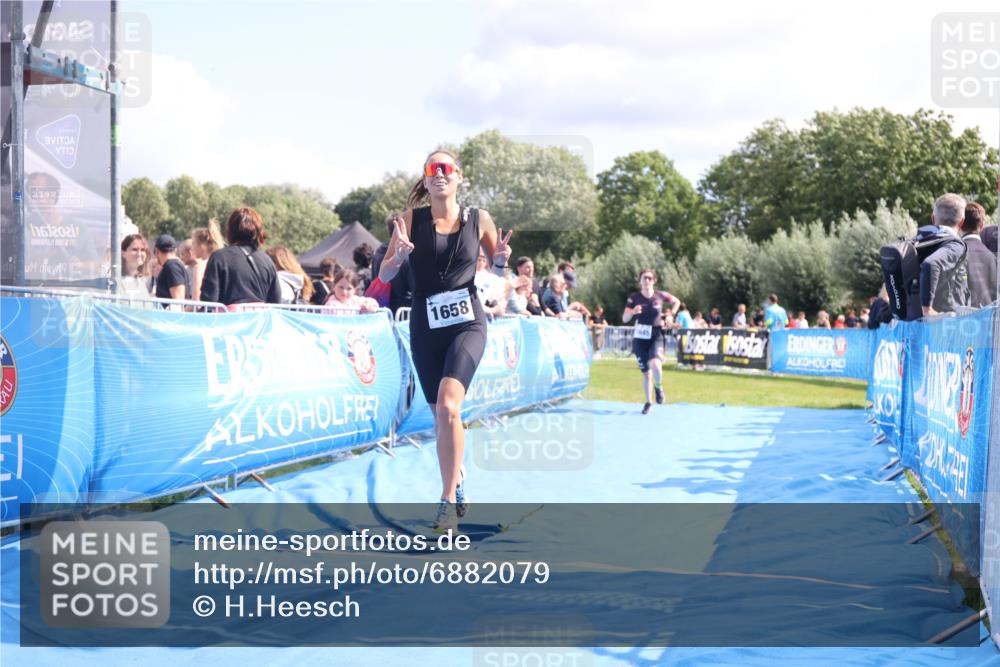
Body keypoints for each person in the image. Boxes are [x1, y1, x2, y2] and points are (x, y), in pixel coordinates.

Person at [376, 149, 512, 532]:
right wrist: (398, 257)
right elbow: (385, 276)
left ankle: (447, 501)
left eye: (446, 168)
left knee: (451, 407)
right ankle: (459, 477)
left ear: (459, 176)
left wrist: (500, 260)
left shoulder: (478, 219)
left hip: (467, 322)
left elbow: (497, 271)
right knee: (440, 418)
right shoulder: (409, 221)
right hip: (424, 323)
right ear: (425, 178)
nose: (439, 174)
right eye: (431, 169)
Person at [200, 207, 282, 307]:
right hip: (259, 321)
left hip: (229, 321)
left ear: (231, 229)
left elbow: (208, 300)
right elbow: (276, 302)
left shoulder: (219, 257)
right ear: (258, 231)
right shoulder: (267, 261)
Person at [623, 269, 679, 415]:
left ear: (654, 281)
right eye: (644, 278)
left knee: (656, 365)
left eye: (649, 278)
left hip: (656, 335)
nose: (647, 280)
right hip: (640, 339)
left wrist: (670, 315)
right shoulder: (633, 298)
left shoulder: (660, 295)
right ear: (640, 281)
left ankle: (659, 387)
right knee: (646, 373)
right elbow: (624, 319)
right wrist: (632, 312)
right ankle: (648, 402)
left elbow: (676, 302)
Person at [921, 193, 971, 316]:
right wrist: (927, 309)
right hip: (943, 325)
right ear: (962, 222)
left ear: (933, 218)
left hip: (913, 323)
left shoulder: (920, 242)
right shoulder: (956, 245)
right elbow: (931, 263)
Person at [371, 213, 415, 315]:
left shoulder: (378, 253)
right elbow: (415, 288)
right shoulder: (406, 255)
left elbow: (374, 280)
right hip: (403, 313)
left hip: (382, 310)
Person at [961, 202, 997, 308]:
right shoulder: (992, 257)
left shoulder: (956, 253)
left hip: (964, 319)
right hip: (989, 320)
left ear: (960, 224)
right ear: (981, 226)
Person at [191, 219, 225, 302]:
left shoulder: (200, 267)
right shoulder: (223, 263)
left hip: (205, 313)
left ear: (202, 246)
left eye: (193, 243)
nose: (192, 247)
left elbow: (196, 302)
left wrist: (182, 311)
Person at [153, 234, 192, 302]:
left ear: (157, 251)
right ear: (175, 250)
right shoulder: (173, 266)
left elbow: (178, 299)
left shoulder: (172, 267)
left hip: (170, 312)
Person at [119, 233, 152, 298]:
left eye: (142, 250)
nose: (139, 254)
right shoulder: (115, 281)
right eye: (134, 249)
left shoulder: (143, 281)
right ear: (123, 253)